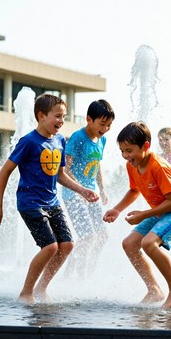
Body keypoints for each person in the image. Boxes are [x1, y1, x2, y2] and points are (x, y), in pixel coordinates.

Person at [0, 93, 99, 304]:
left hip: (52, 202)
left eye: (63, 117)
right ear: (41, 116)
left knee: (66, 245)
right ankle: (26, 292)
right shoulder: (29, 141)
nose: (61, 121)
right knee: (50, 247)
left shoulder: (59, 141)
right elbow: (5, 171)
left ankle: (41, 288)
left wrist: (81, 190)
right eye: (57, 116)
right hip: (30, 203)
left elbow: (60, 175)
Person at [103, 121, 171, 309]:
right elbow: (134, 190)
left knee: (148, 243)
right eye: (122, 151)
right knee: (129, 243)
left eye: (129, 150)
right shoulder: (132, 165)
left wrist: (144, 214)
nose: (126, 156)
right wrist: (117, 209)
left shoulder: (158, 166)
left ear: (145, 146)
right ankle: (154, 289)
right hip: (162, 211)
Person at [62, 99, 115, 277]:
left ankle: (87, 271)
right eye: (102, 124)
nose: (105, 128)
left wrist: (102, 189)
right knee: (87, 237)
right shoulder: (78, 138)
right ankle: (80, 277)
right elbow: (65, 168)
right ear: (89, 119)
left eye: (108, 125)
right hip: (74, 194)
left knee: (102, 236)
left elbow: (96, 164)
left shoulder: (102, 139)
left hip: (92, 194)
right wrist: (80, 190)